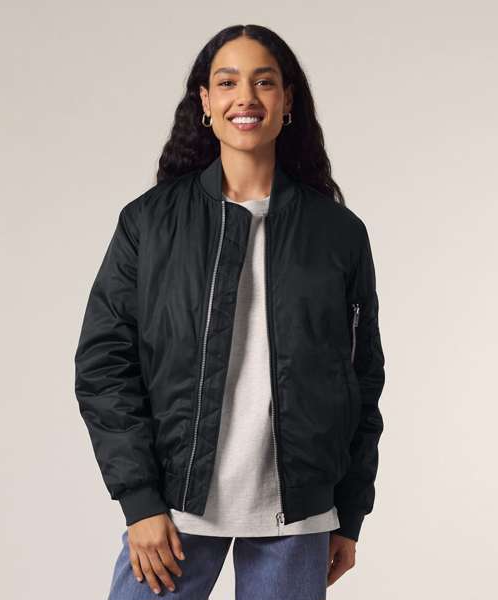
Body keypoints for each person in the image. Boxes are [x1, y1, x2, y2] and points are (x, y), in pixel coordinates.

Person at [74, 24, 386, 600]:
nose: (246, 97)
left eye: (264, 82)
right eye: (227, 82)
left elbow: (362, 378)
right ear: (205, 101)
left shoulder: (338, 233)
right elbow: (103, 367)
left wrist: (349, 512)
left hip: (299, 518)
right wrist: (140, 502)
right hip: (173, 510)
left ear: (287, 101)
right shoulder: (150, 223)